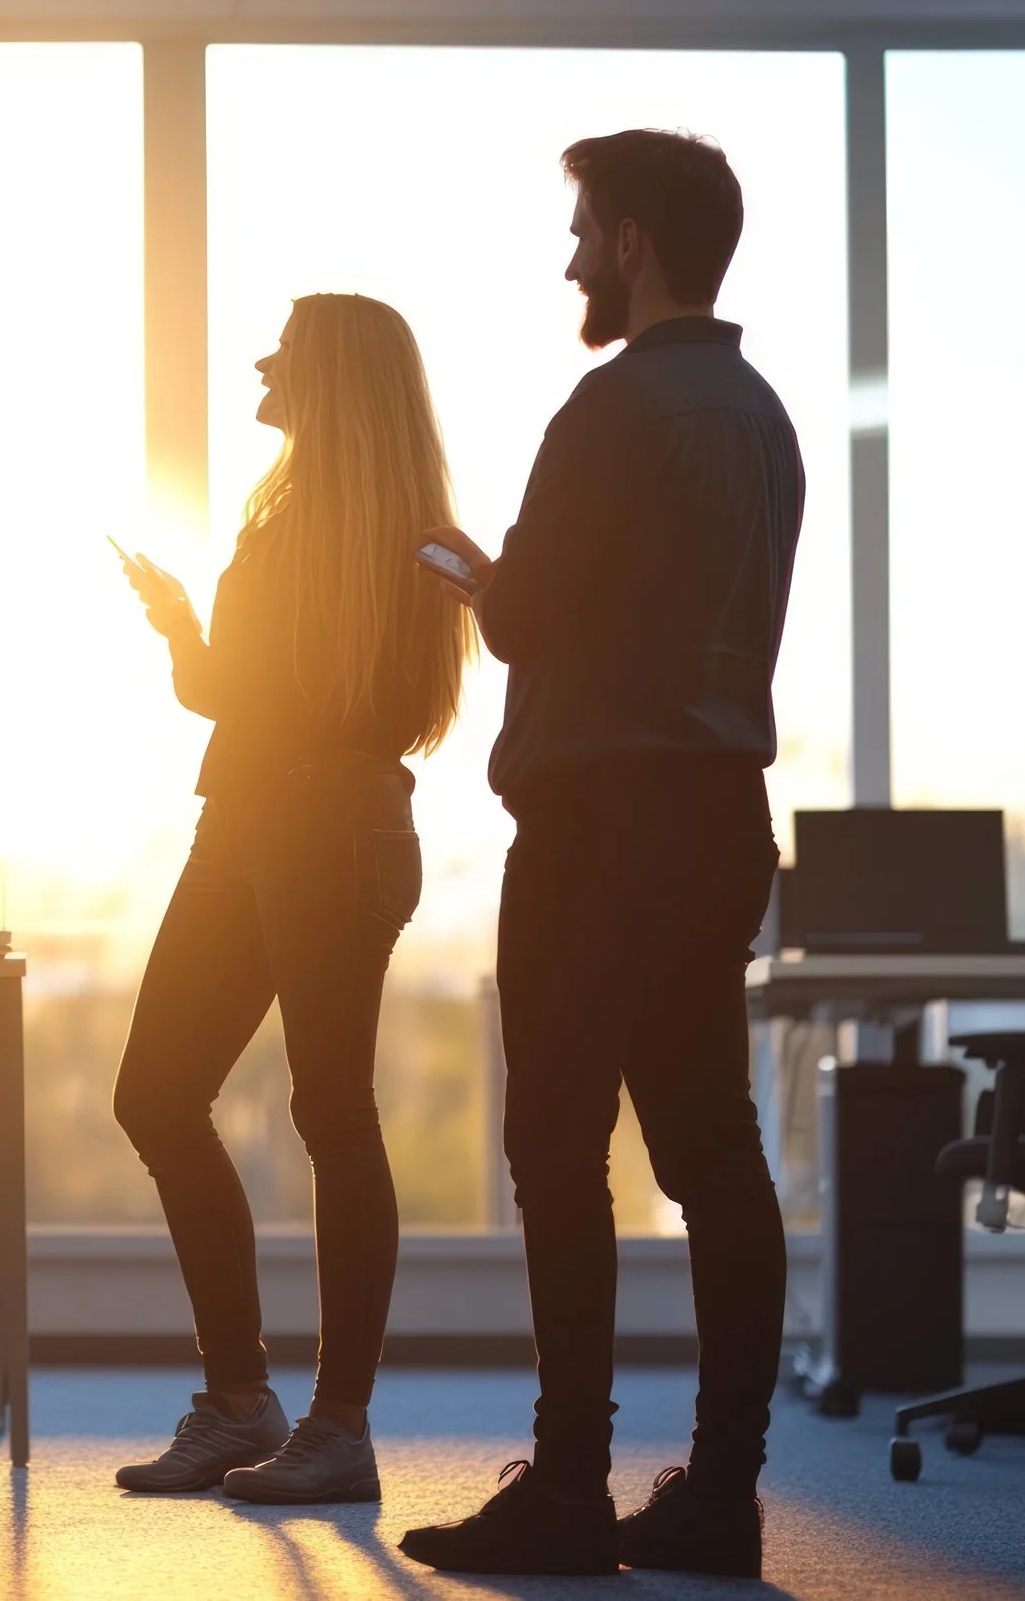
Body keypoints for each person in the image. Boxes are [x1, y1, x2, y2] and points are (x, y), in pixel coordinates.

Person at [397, 130, 802, 1580]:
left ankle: (569, 1493)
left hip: (597, 828)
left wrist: (461, 565)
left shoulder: (611, 408)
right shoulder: (762, 416)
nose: (572, 256)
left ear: (634, 240)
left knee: (557, 1147)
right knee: (711, 1152)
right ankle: (721, 1493)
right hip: (719, 821)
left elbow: (529, 625)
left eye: (584, 230)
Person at [110, 294, 471, 1503]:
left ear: (331, 378)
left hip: (328, 825)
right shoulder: (296, 517)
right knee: (156, 1092)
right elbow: (237, 691)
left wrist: (209, 652)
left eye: (285, 349)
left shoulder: (394, 532)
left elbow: (348, 705)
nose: (260, 362)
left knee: (332, 1110)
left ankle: (337, 1422)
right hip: (250, 821)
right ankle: (240, 1399)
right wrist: (177, 628)